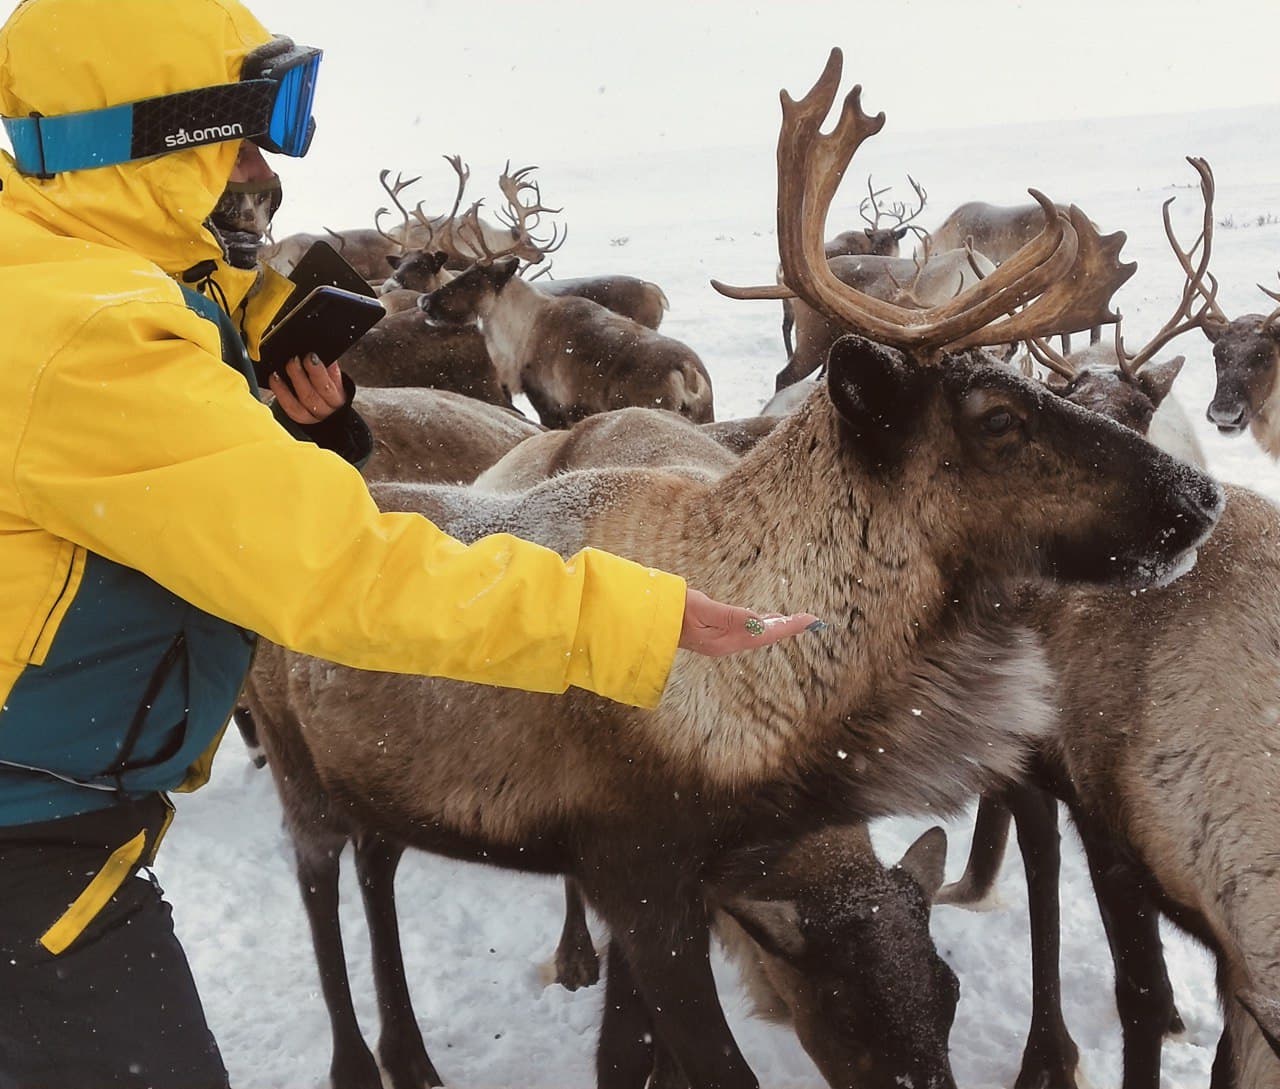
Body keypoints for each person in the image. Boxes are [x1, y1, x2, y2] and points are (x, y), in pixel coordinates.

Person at [0, 1, 817, 1085]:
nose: (263, 165)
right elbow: (341, 576)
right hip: (29, 837)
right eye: (237, 129)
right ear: (147, 137)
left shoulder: (62, 273)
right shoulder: (94, 336)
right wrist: (634, 615)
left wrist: (283, 412)